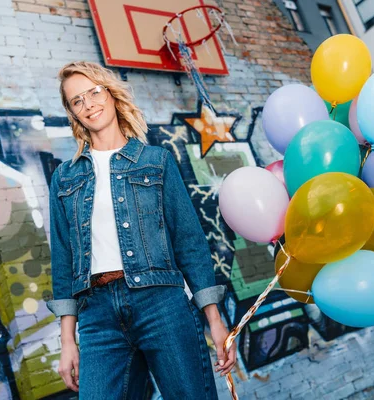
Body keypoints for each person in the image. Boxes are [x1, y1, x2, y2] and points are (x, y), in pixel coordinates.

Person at [46, 61, 236, 399]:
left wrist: (215, 319)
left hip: (161, 302)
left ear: (112, 94)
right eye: (77, 101)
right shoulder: (65, 177)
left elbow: (189, 242)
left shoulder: (156, 161)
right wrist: (67, 342)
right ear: (73, 113)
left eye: (94, 92)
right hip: (97, 314)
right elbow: (63, 260)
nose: (89, 104)